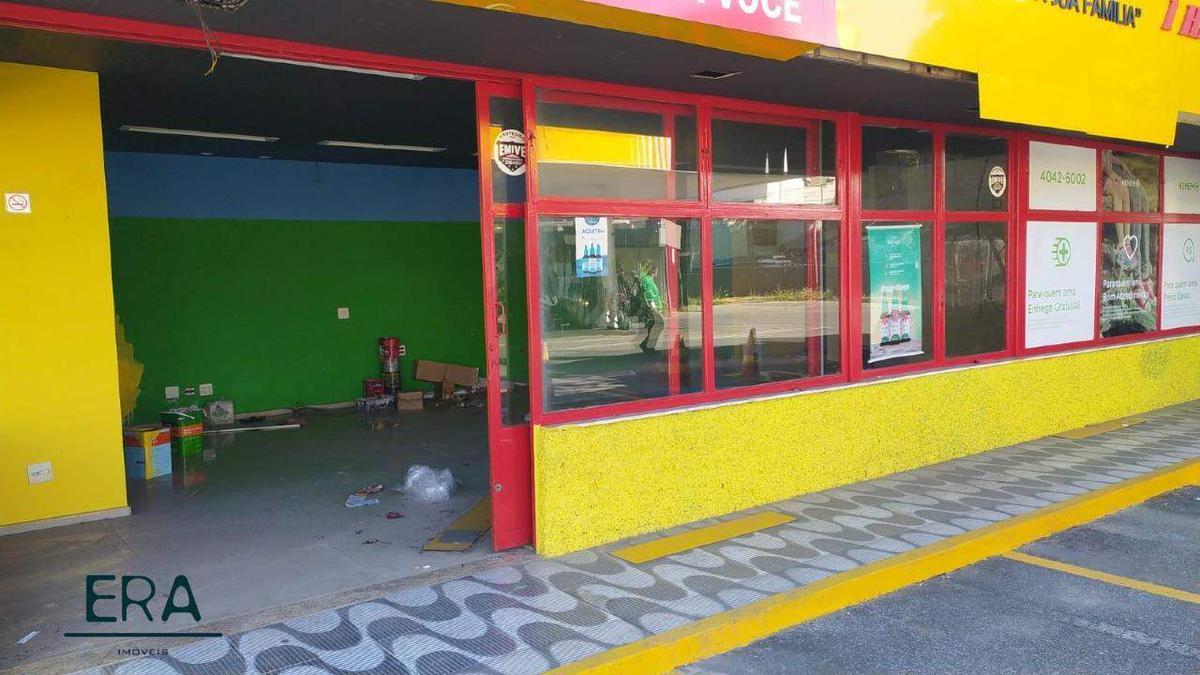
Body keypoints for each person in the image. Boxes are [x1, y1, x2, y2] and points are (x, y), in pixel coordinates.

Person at [637, 262, 664, 353]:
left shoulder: (649, 280)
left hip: (653, 307)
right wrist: (653, 307)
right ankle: (649, 345)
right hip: (652, 307)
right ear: (653, 271)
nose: (657, 273)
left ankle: (647, 344)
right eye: (657, 271)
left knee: (653, 326)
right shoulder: (648, 281)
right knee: (659, 324)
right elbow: (649, 295)